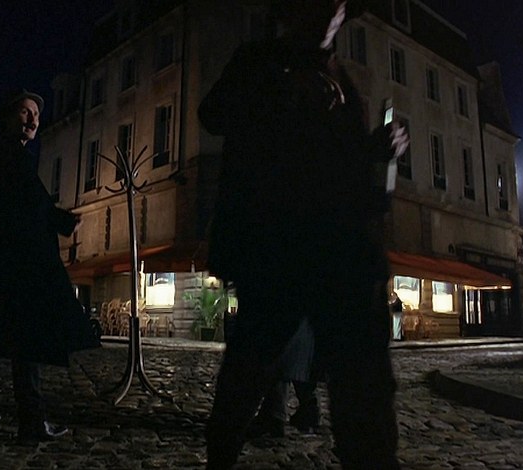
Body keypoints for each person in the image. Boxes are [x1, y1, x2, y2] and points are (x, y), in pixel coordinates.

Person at [199, 0, 409, 468]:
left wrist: (377, 149)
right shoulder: (257, 60)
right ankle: (220, 456)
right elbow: (212, 114)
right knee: (251, 364)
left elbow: (343, 165)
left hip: (342, 248)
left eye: (338, 5)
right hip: (276, 243)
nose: (330, 12)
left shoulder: (344, 78)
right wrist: (282, 89)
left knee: (364, 376)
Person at [0, 89, 98, 442]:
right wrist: (63, 220)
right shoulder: (8, 156)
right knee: (25, 341)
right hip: (15, 267)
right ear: (7, 117)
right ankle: (31, 421)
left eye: (36, 113)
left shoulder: (7, 154)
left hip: (3, 265)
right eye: (24, 111)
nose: (33, 119)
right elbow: (29, 205)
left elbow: (29, 204)